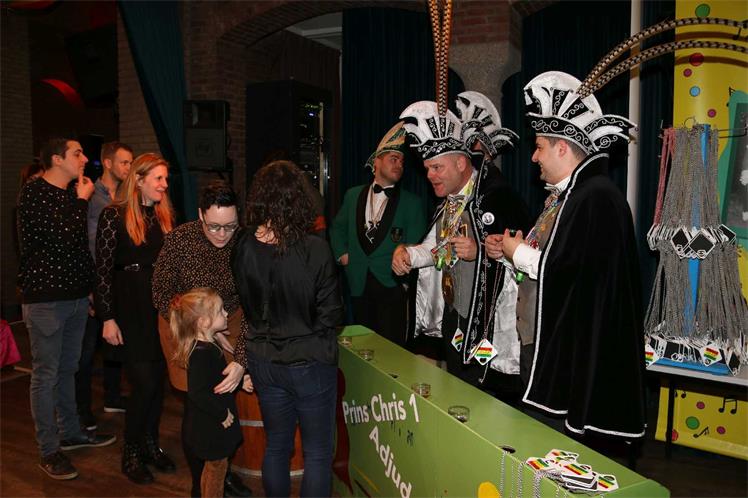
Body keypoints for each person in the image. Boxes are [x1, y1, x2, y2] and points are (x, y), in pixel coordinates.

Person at [485, 71, 646, 438]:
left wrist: (517, 252)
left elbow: (573, 274)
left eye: (539, 146)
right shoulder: (569, 197)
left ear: (562, 149)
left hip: (570, 350)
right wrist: (509, 253)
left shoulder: (595, 197)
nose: (533, 157)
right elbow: (559, 259)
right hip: (542, 342)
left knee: (555, 446)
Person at [392, 101, 529, 390]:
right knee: (456, 391)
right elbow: (436, 249)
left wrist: (479, 252)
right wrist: (407, 254)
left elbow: (523, 264)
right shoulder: (450, 203)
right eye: (427, 168)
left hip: (487, 325)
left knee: (485, 399)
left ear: (461, 163)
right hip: (453, 317)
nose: (430, 176)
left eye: (436, 167)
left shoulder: (497, 197)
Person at [232, 160, 343, 497]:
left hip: (264, 361)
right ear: (299, 198)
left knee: (277, 446)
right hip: (309, 362)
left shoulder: (242, 243)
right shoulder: (315, 249)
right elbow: (332, 315)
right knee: (318, 453)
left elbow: (246, 302)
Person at [18, 138, 116, 480]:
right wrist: (82, 200)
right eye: (77, 153)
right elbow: (61, 236)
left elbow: (78, 247)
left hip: (75, 297)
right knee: (45, 374)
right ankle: (49, 449)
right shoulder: (34, 193)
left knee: (68, 369)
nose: (85, 158)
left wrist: (89, 290)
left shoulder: (70, 194)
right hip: (46, 300)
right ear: (57, 159)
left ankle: (71, 433)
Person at [152, 181, 251, 498]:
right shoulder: (180, 240)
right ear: (200, 215)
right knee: (196, 403)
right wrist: (201, 329)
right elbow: (161, 292)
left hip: (229, 317)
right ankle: (201, 482)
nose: (222, 234)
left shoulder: (245, 242)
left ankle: (221, 471)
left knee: (225, 393)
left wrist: (235, 349)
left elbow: (255, 304)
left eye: (230, 226)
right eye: (214, 226)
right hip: (184, 325)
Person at [95, 152, 176, 484]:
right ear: (139, 180)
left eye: (165, 178)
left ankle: (150, 445)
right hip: (129, 308)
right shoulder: (113, 214)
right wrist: (107, 318)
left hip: (159, 309)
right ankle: (131, 450)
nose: (164, 184)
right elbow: (102, 270)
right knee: (143, 384)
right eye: (158, 178)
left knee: (157, 385)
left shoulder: (162, 215)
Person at [330, 122, 426, 346]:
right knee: (362, 345)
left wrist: (405, 283)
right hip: (358, 282)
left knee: (391, 349)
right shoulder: (352, 195)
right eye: (393, 159)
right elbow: (337, 228)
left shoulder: (412, 203)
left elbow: (418, 244)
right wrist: (342, 255)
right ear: (376, 162)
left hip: (392, 286)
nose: (399, 165)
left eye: (402, 161)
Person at [77, 141, 133, 431]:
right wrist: (90, 288)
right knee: (86, 351)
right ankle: (82, 411)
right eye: (124, 162)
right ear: (108, 163)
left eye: (131, 163)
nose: (128, 168)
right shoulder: (90, 195)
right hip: (93, 282)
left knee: (115, 345)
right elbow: (85, 244)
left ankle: (113, 397)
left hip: (116, 283)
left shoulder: (125, 196)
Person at [170, 288, 243, 498]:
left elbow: (217, 379)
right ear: (203, 322)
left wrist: (240, 382)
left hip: (212, 421)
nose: (226, 313)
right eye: (220, 311)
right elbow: (198, 393)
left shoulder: (208, 344)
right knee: (216, 471)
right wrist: (222, 413)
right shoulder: (202, 354)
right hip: (212, 425)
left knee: (211, 469)